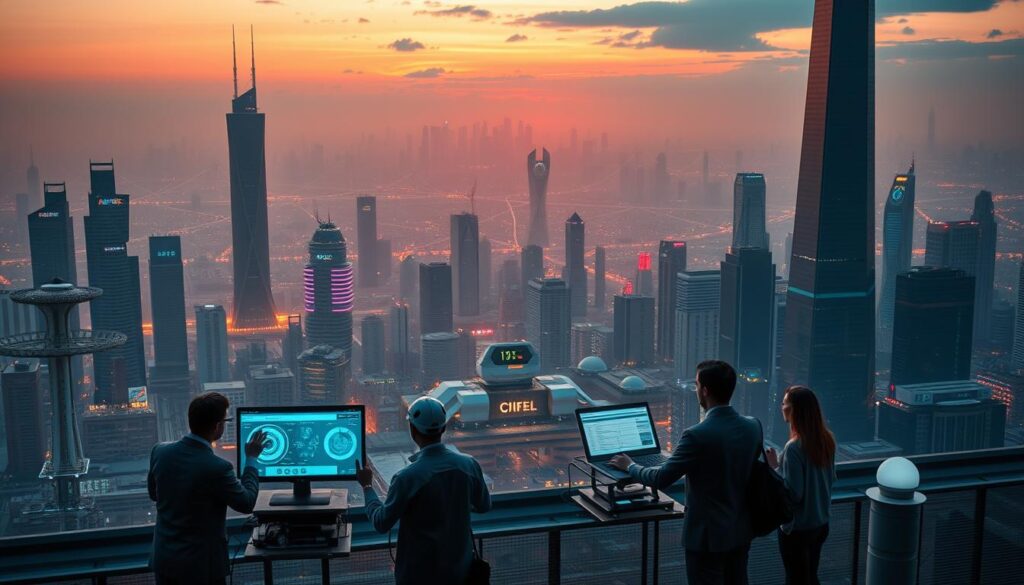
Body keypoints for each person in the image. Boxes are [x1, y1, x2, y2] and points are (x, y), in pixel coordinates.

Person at [610, 360, 761, 585]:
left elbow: (661, 479)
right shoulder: (753, 426)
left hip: (707, 537)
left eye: (697, 384)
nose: (696, 389)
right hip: (741, 531)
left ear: (705, 391)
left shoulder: (696, 435)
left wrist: (629, 466)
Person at [356, 396, 492, 585]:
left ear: (412, 429)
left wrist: (367, 486)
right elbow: (484, 505)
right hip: (460, 574)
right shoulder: (469, 465)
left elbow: (381, 522)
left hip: (418, 576)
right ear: (443, 428)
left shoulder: (407, 478)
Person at [148, 392, 268, 585]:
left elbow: (155, 494)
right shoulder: (217, 467)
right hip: (202, 568)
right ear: (217, 427)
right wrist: (251, 458)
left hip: (165, 562)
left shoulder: (160, 451)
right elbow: (246, 502)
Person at [766, 386, 837, 585]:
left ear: (795, 410)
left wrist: (773, 468)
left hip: (798, 528)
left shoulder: (794, 448)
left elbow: (794, 493)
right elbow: (828, 478)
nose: (781, 407)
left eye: (784, 403)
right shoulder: (826, 440)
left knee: (795, 579)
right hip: (821, 523)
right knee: (811, 576)